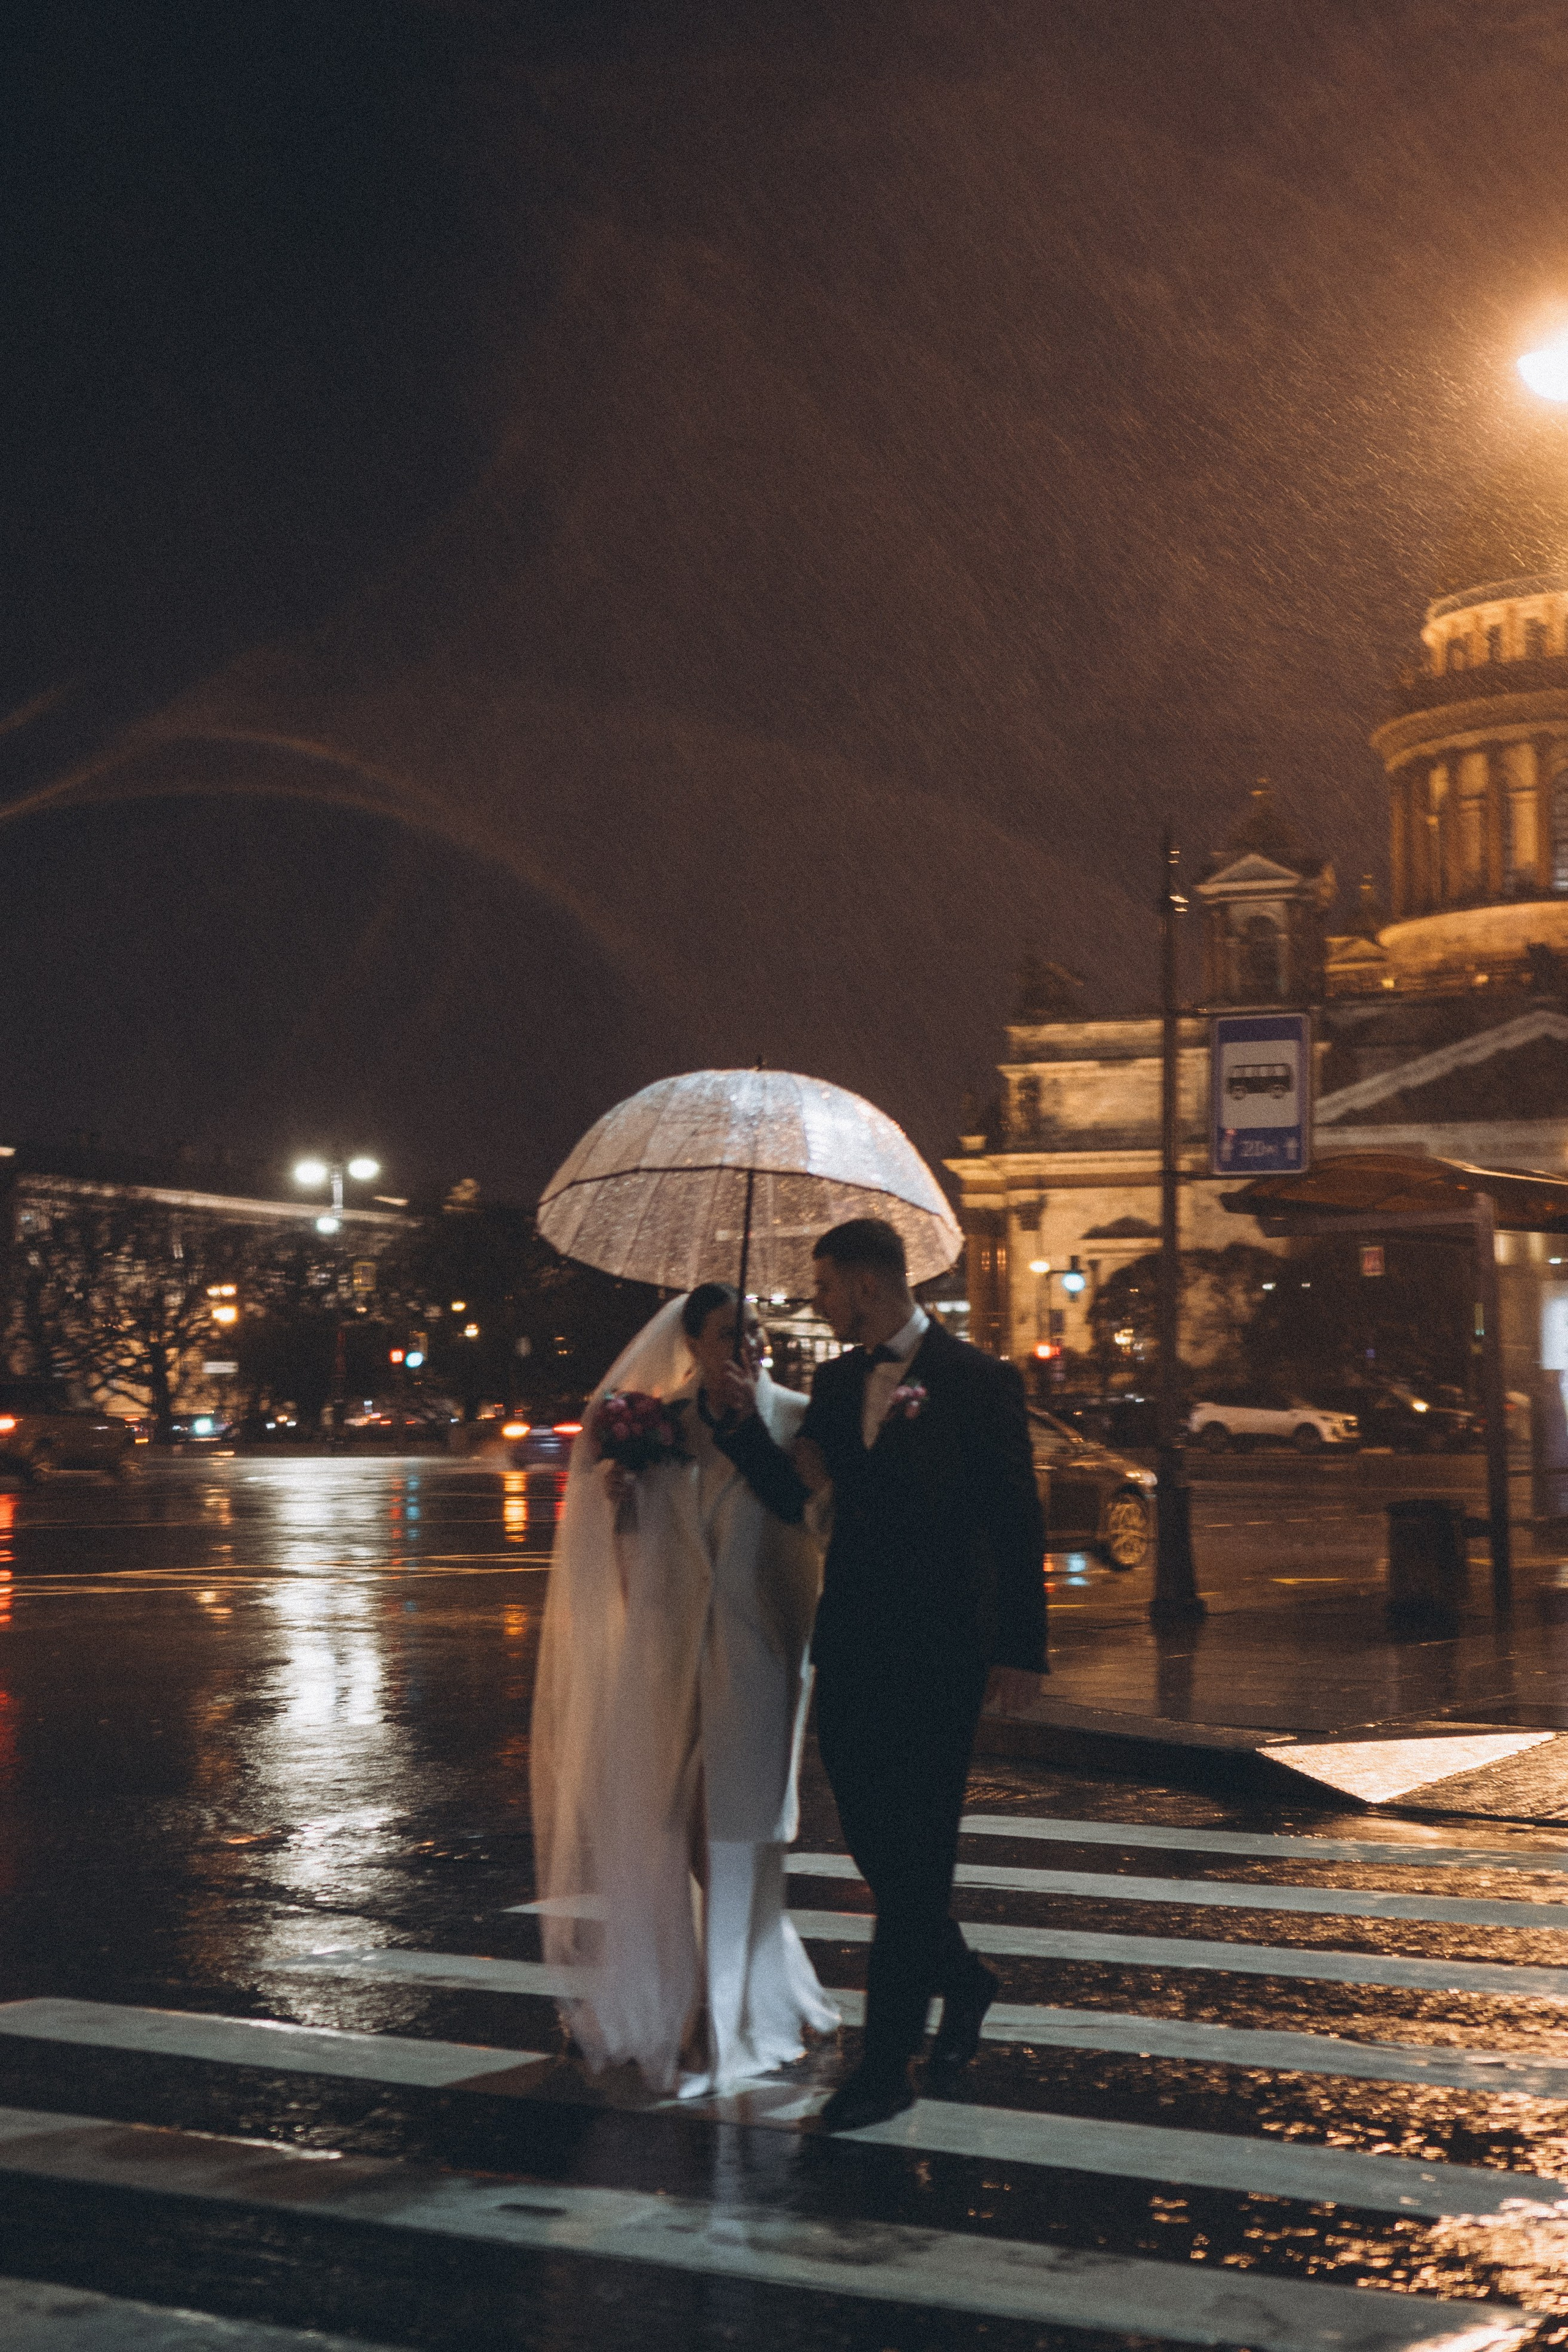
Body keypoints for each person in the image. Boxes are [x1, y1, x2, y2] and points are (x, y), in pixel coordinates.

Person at [714, 1216, 1047, 2133]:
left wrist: (1022, 1646)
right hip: (854, 1639)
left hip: (943, 1648)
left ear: (865, 1281)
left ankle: (885, 2065)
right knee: (874, 1843)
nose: (817, 1299)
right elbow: (803, 1499)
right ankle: (966, 1979)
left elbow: (1016, 1518)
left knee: (920, 1849)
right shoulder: (833, 1380)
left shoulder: (980, 1382)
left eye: (824, 1283)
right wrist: (743, 1427)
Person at [529, 1283, 838, 2097]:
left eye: (757, 1332)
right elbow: (648, 1547)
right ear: (694, 1344)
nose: (749, 1346)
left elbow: (817, 1520)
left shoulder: (798, 1417)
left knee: (738, 1827)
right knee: (683, 1826)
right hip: (674, 1641)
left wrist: (750, 1435)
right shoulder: (657, 1420)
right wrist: (624, 1505)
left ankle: (719, 2012)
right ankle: (765, 1982)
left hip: (762, 1645)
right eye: (731, 1333)